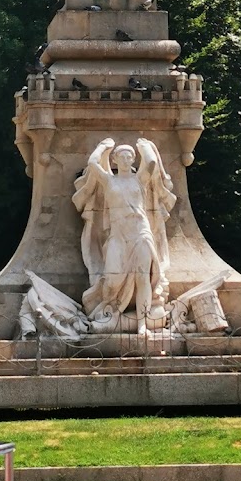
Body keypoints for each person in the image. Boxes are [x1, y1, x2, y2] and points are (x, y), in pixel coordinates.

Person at [73, 137, 176, 335]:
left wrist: (144, 147)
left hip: (140, 233)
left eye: (130, 156)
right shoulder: (108, 180)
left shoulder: (139, 180)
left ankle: (142, 324)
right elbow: (93, 163)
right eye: (122, 156)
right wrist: (103, 146)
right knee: (112, 278)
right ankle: (110, 309)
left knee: (143, 278)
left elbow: (152, 163)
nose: (127, 159)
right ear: (114, 160)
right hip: (118, 236)